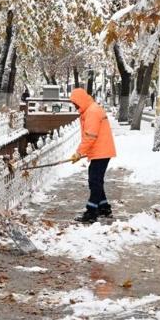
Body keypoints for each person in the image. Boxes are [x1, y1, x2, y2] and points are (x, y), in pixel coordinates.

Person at [68, 87, 117, 223]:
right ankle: (104, 208)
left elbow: (90, 136)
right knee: (96, 180)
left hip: (101, 152)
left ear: (81, 100)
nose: (75, 106)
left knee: (94, 181)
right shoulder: (91, 109)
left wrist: (78, 153)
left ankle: (91, 212)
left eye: (75, 103)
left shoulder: (92, 112)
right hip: (101, 151)